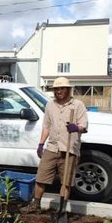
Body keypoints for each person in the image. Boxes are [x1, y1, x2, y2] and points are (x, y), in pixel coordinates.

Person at [21, 77, 88, 215]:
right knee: (41, 177)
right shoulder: (50, 105)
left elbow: (84, 126)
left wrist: (77, 128)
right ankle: (36, 205)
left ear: (68, 90)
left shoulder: (77, 105)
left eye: (62, 88)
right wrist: (40, 144)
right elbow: (46, 126)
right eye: (56, 89)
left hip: (69, 148)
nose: (59, 91)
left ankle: (62, 209)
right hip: (52, 147)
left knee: (66, 181)